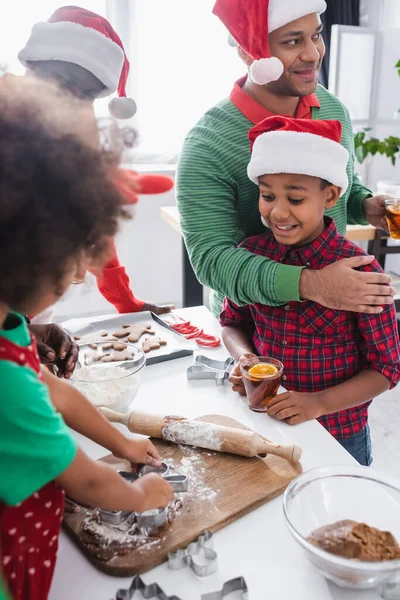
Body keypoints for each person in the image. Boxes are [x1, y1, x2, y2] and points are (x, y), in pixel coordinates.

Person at [0, 74, 173, 600]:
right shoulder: (4, 384)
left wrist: (121, 442)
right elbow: (88, 482)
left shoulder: (10, 327)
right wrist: (141, 496)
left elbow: (55, 390)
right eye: (73, 261)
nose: (80, 276)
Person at [177, 0, 395, 318]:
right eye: (293, 41)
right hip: (253, 334)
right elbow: (213, 261)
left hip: (334, 321)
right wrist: (314, 284)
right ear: (248, 51)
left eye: (316, 36)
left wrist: (364, 205)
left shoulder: (332, 109)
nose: (313, 54)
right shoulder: (207, 145)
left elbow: (336, 192)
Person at [220, 116, 400, 465]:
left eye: (296, 199)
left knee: (342, 515)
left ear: (330, 195)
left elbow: (387, 369)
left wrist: (318, 403)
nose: (278, 211)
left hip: (338, 432)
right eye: (267, 195)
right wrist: (244, 358)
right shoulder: (252, 255)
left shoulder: (361, 272)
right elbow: (230, 322)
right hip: (265, 422)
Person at [18, 5, 174, 318]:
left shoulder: (78, 138)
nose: (73, 99)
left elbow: (96, 233)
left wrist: (128, 304)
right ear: (33, 67)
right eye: (62, 79)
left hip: (27, 311)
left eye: (87, 93)